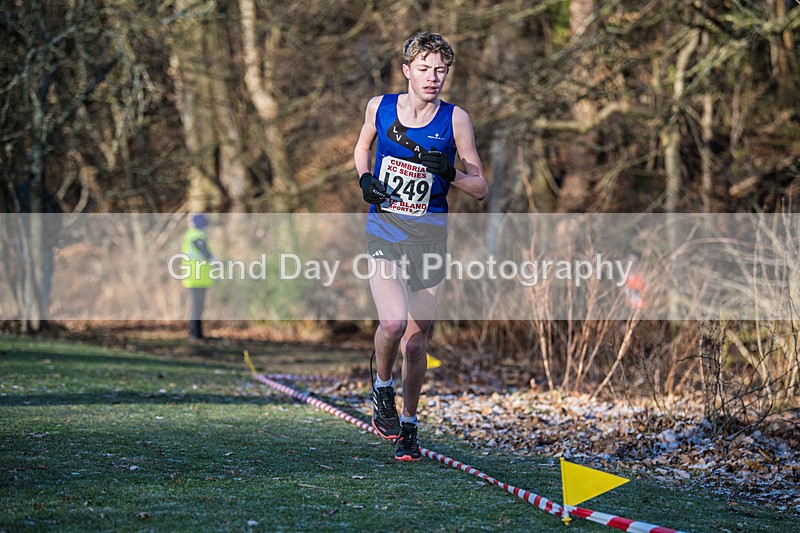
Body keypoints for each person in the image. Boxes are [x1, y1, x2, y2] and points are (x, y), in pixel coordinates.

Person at [353, 31, 487, 461]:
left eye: (441, 70)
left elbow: (481, 187)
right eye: (425, 69)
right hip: (385, 231)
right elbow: (362, 147)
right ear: (407, 70)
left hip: (429, 238)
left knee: (416, 341)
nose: (434, 77)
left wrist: (449, 172)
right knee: (392, 323)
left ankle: (409, 425)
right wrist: (365, 180)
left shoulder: (456, 119)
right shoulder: (380, 106)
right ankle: (382, 388)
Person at [181, 214, 216, 340]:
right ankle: (194, 334)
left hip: (196, 278)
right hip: (196, 278)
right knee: (197, 306)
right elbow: (202, 249)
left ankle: (197, 333)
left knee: (199, 306)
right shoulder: (197, 235)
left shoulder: (190, 234)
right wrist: (213, 260)